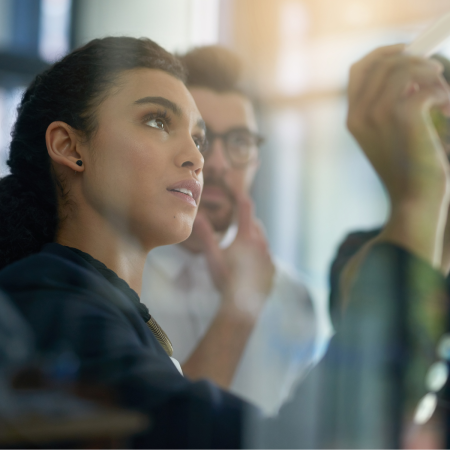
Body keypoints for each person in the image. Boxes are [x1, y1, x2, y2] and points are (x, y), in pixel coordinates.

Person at [140, 46, 332, 415]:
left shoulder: (293, 298)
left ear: (257, 160)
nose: (215, 164)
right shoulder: (121, 284)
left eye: (240, 142)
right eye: (201, 137)